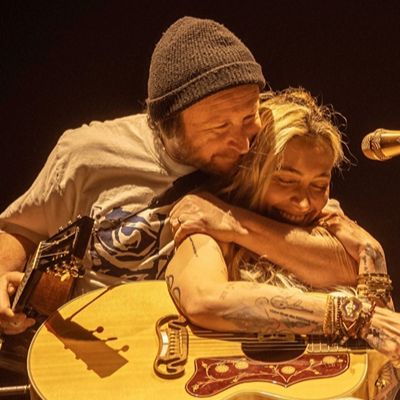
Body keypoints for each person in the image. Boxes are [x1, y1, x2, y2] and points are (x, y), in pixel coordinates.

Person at [0, 16, 355, 341]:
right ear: (168, 125)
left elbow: (335, 254)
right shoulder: (87, 155)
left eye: (249, 118)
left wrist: (233, 222)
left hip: (202, 357)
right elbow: (21, 228)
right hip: (97, 348)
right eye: (220, 127)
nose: (244, 143)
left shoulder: (261, 151)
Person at [166, 88, 399, 399]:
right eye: (285, 180)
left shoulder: (338, 238)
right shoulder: (207, 223)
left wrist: (373, 253)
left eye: (319, 185)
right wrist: (349, 314)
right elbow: (205, 300)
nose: (303, 203)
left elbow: (384, 363)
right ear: (251, 172)